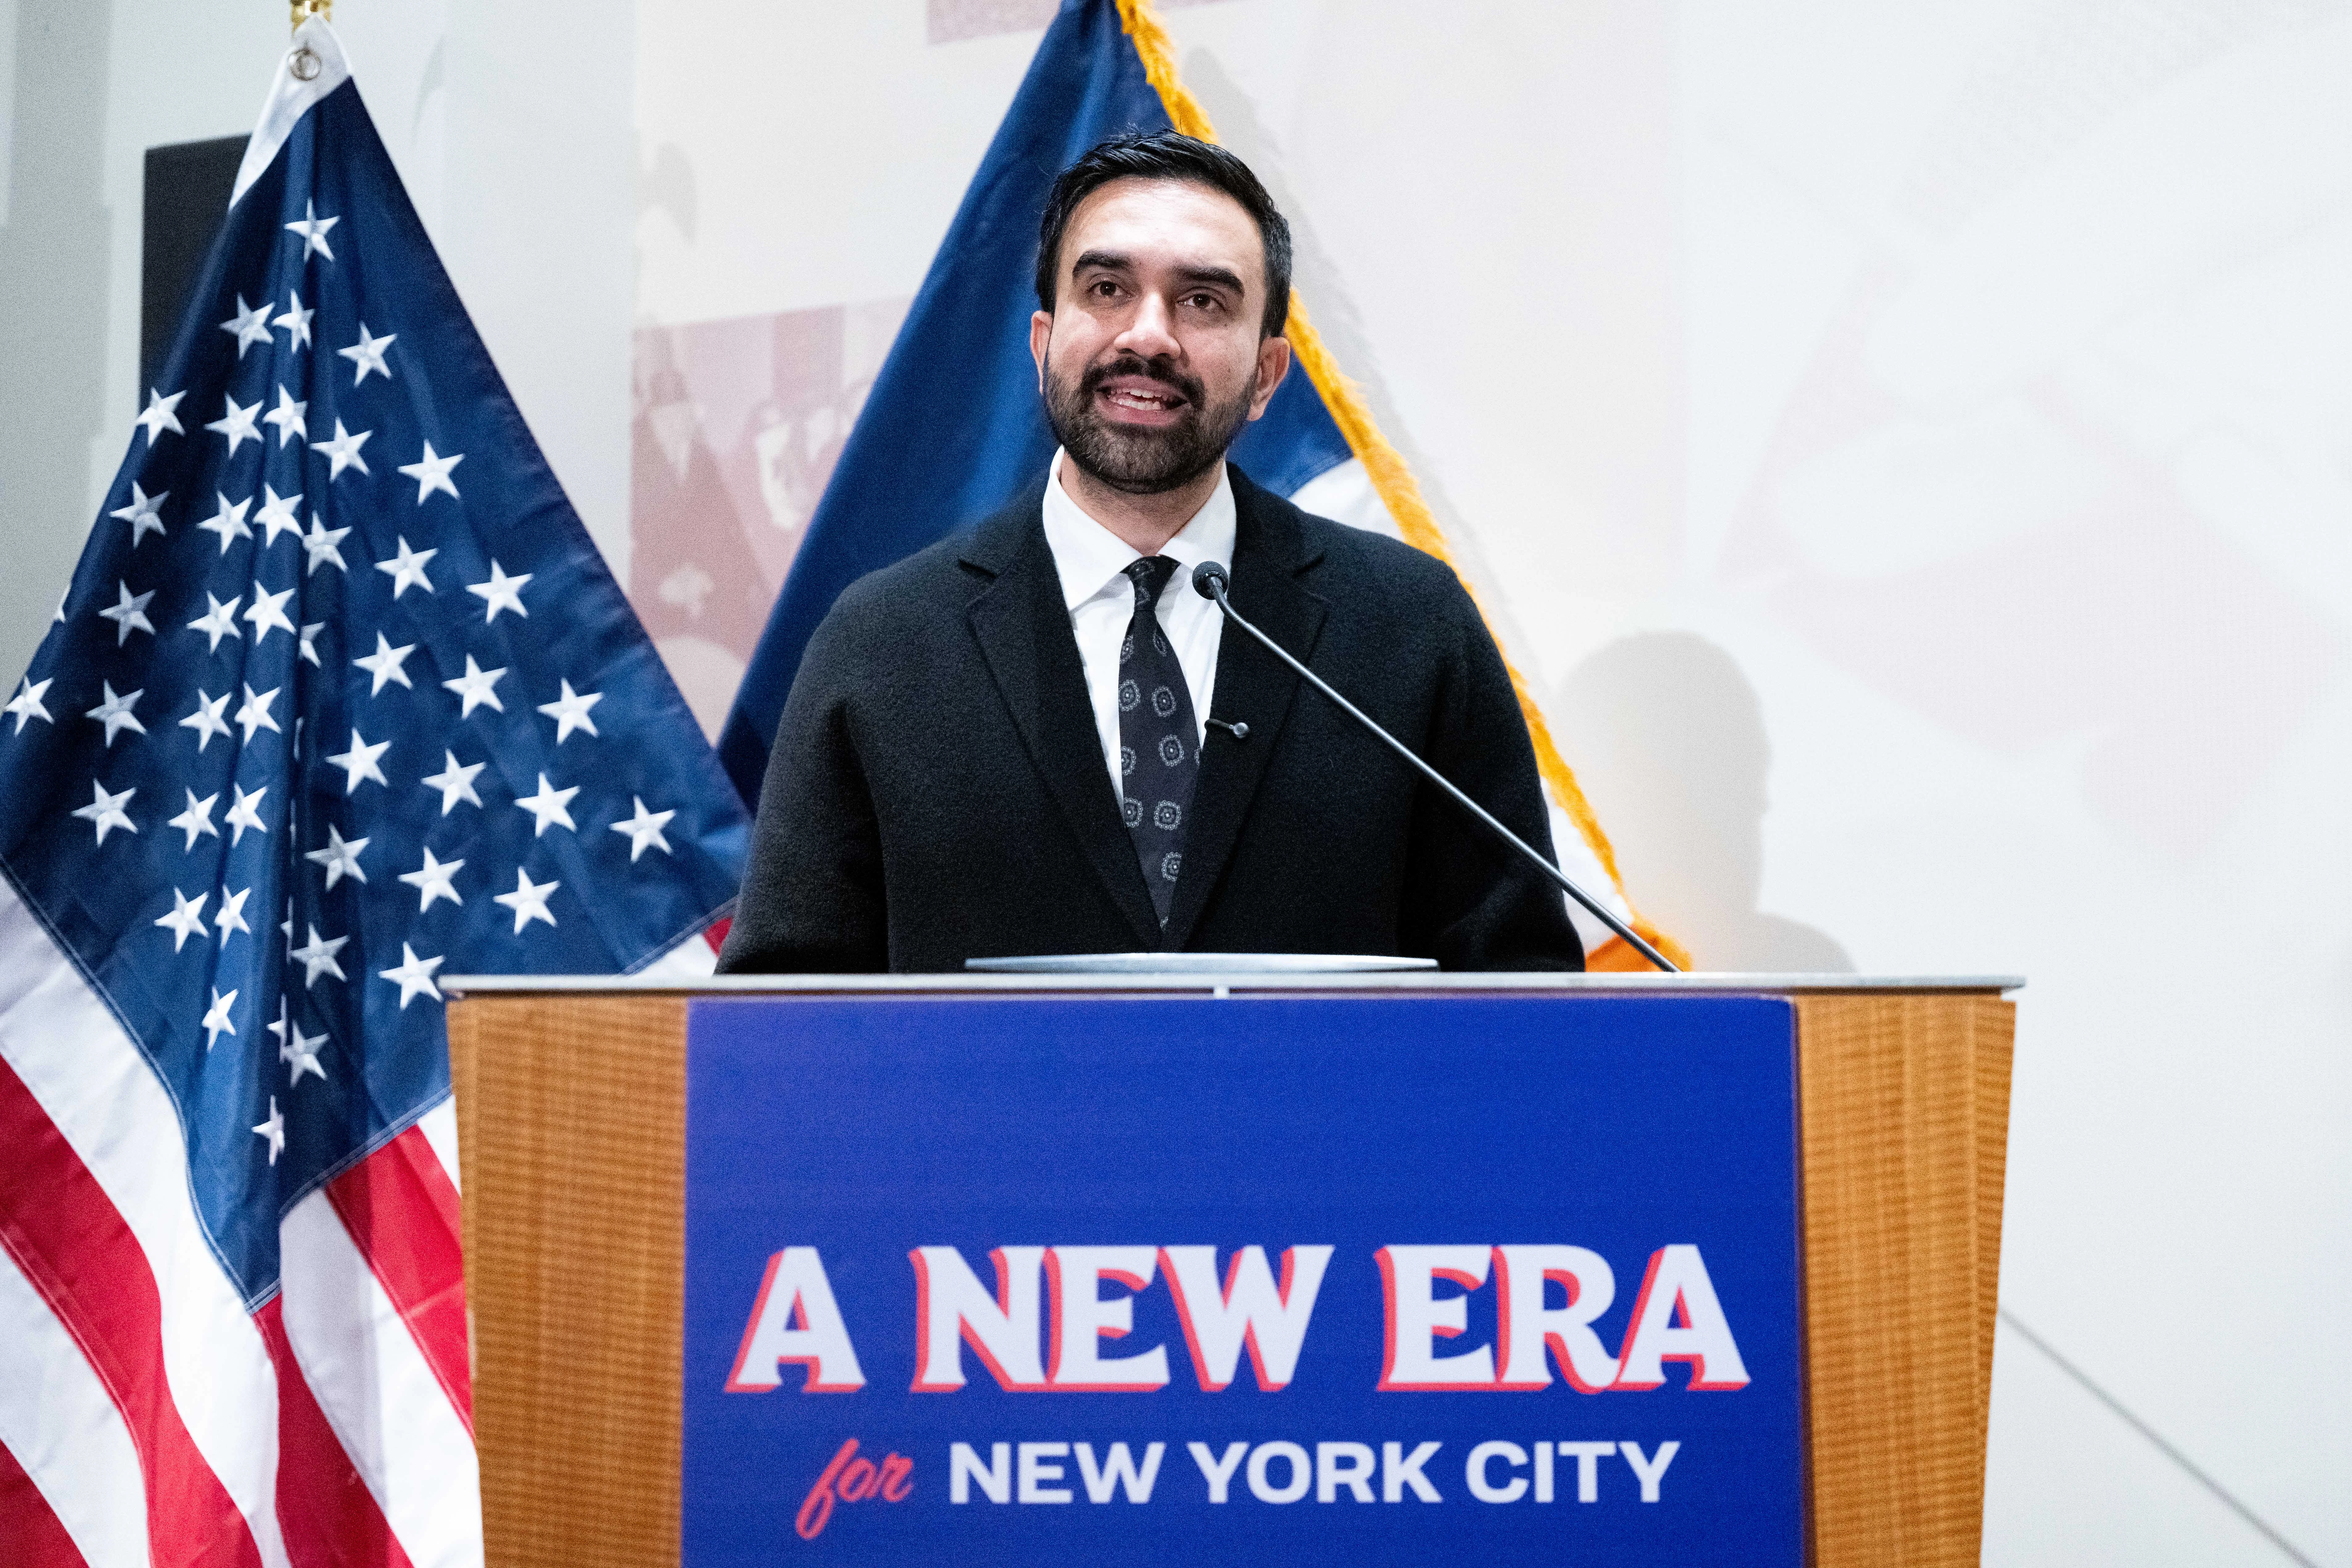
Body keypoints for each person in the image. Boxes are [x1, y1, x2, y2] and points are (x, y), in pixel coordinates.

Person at [719, 131, 1581, 974]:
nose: (1149, 336)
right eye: (1105, 288)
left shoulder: (1407, 623)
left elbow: (1517, 982)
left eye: (1203, 300)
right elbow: (782, 1011)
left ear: (1269, 374)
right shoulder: (884, 641)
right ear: (1042, 342)